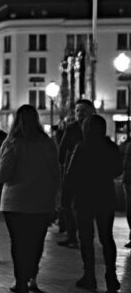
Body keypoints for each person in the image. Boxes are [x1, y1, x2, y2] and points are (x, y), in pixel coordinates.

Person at [0, 105, 61, 293]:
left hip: (15, 202)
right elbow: (56, 173)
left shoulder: (13, 143)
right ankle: (32, 275)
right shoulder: (47, 143)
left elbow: (1, 175)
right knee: (36, 241)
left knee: (19, 242)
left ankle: (20, 280)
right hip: (41, 201)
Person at [63, 115, 121, 293]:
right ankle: (111, 276)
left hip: (84, 198)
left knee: (86, 238)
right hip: (105, 196)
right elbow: (117, 170)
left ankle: (89, 276)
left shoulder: (81, 147)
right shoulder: (111, 147)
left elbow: (70, 175)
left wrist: (65, 200)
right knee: (106, 237)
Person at [57, 99, 96, 247]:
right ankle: (72, 235)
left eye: (83, 110)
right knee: (67, 204)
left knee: (82, 206)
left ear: (91, 111)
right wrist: (63, 165)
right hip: (71, 170)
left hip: (89, 173)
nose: (79, 113)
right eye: (77, 110)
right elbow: (62, 149)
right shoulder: (72, 128)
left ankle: (84, 236)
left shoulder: (95, 127)